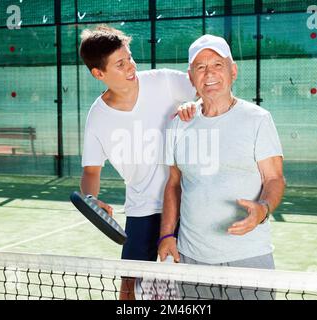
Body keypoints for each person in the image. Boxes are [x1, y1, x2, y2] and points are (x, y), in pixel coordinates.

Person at [158, 34, 286, 300]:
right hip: (191, 257)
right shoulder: (178, 123)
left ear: (233, 71)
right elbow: (173, 184)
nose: (210, 74)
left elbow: (274, 179)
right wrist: (166, 235)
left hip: (248, 258)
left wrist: (262, 210)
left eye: (218, 65)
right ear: (191, 77)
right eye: (201, 67)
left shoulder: (258, 120)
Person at [78, 25, 196, 300]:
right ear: (99, 74)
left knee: (187, 287)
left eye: (129, 57)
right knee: (128, 288)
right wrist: (90, 197)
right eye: (120, 64)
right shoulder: (97, 117)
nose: (131, 66)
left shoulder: (164, 81)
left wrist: (195, 105)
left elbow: (208, 90)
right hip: (141, 210)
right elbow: (90, 171)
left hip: (185, 203)